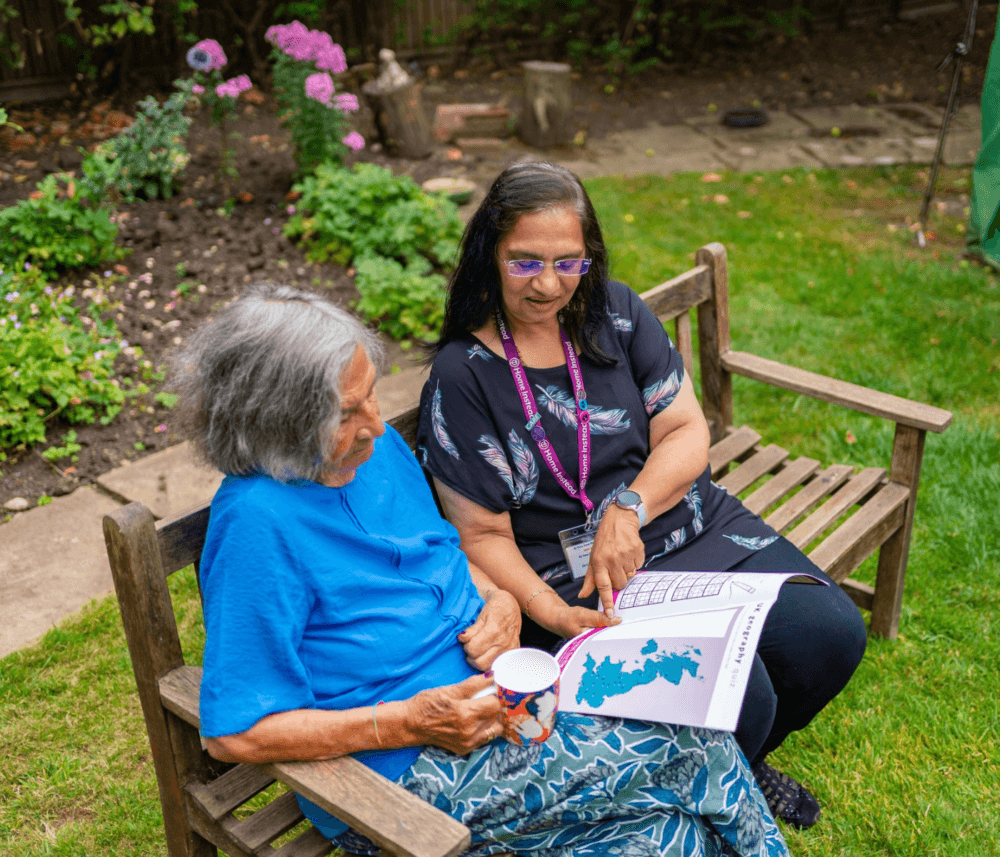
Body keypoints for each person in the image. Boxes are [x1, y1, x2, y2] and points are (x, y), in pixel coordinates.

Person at [173, 283, 788, 857]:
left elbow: (447, 552)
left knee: (665, 837)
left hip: (504, 702)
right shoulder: (257, 525)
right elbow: (236, 734)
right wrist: (407, 721)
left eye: (371, 396)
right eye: (345, 414)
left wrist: (499, 601)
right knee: (687, 739)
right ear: (275, 421)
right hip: (399, 772)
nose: (376, 426)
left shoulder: (377, 451)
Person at [417, 161, 868, 830]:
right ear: (490, 254)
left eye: (568, 262)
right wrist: (552, 612)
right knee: (745, 692)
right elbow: (480, 534)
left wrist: (628, 507)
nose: (548, 284)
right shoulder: (464, 376)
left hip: (680, 526)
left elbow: (687, 431)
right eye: (525, 263)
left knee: (831, 634)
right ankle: (715, 783)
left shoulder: (615, 315)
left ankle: (738, 765)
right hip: (571, 581)